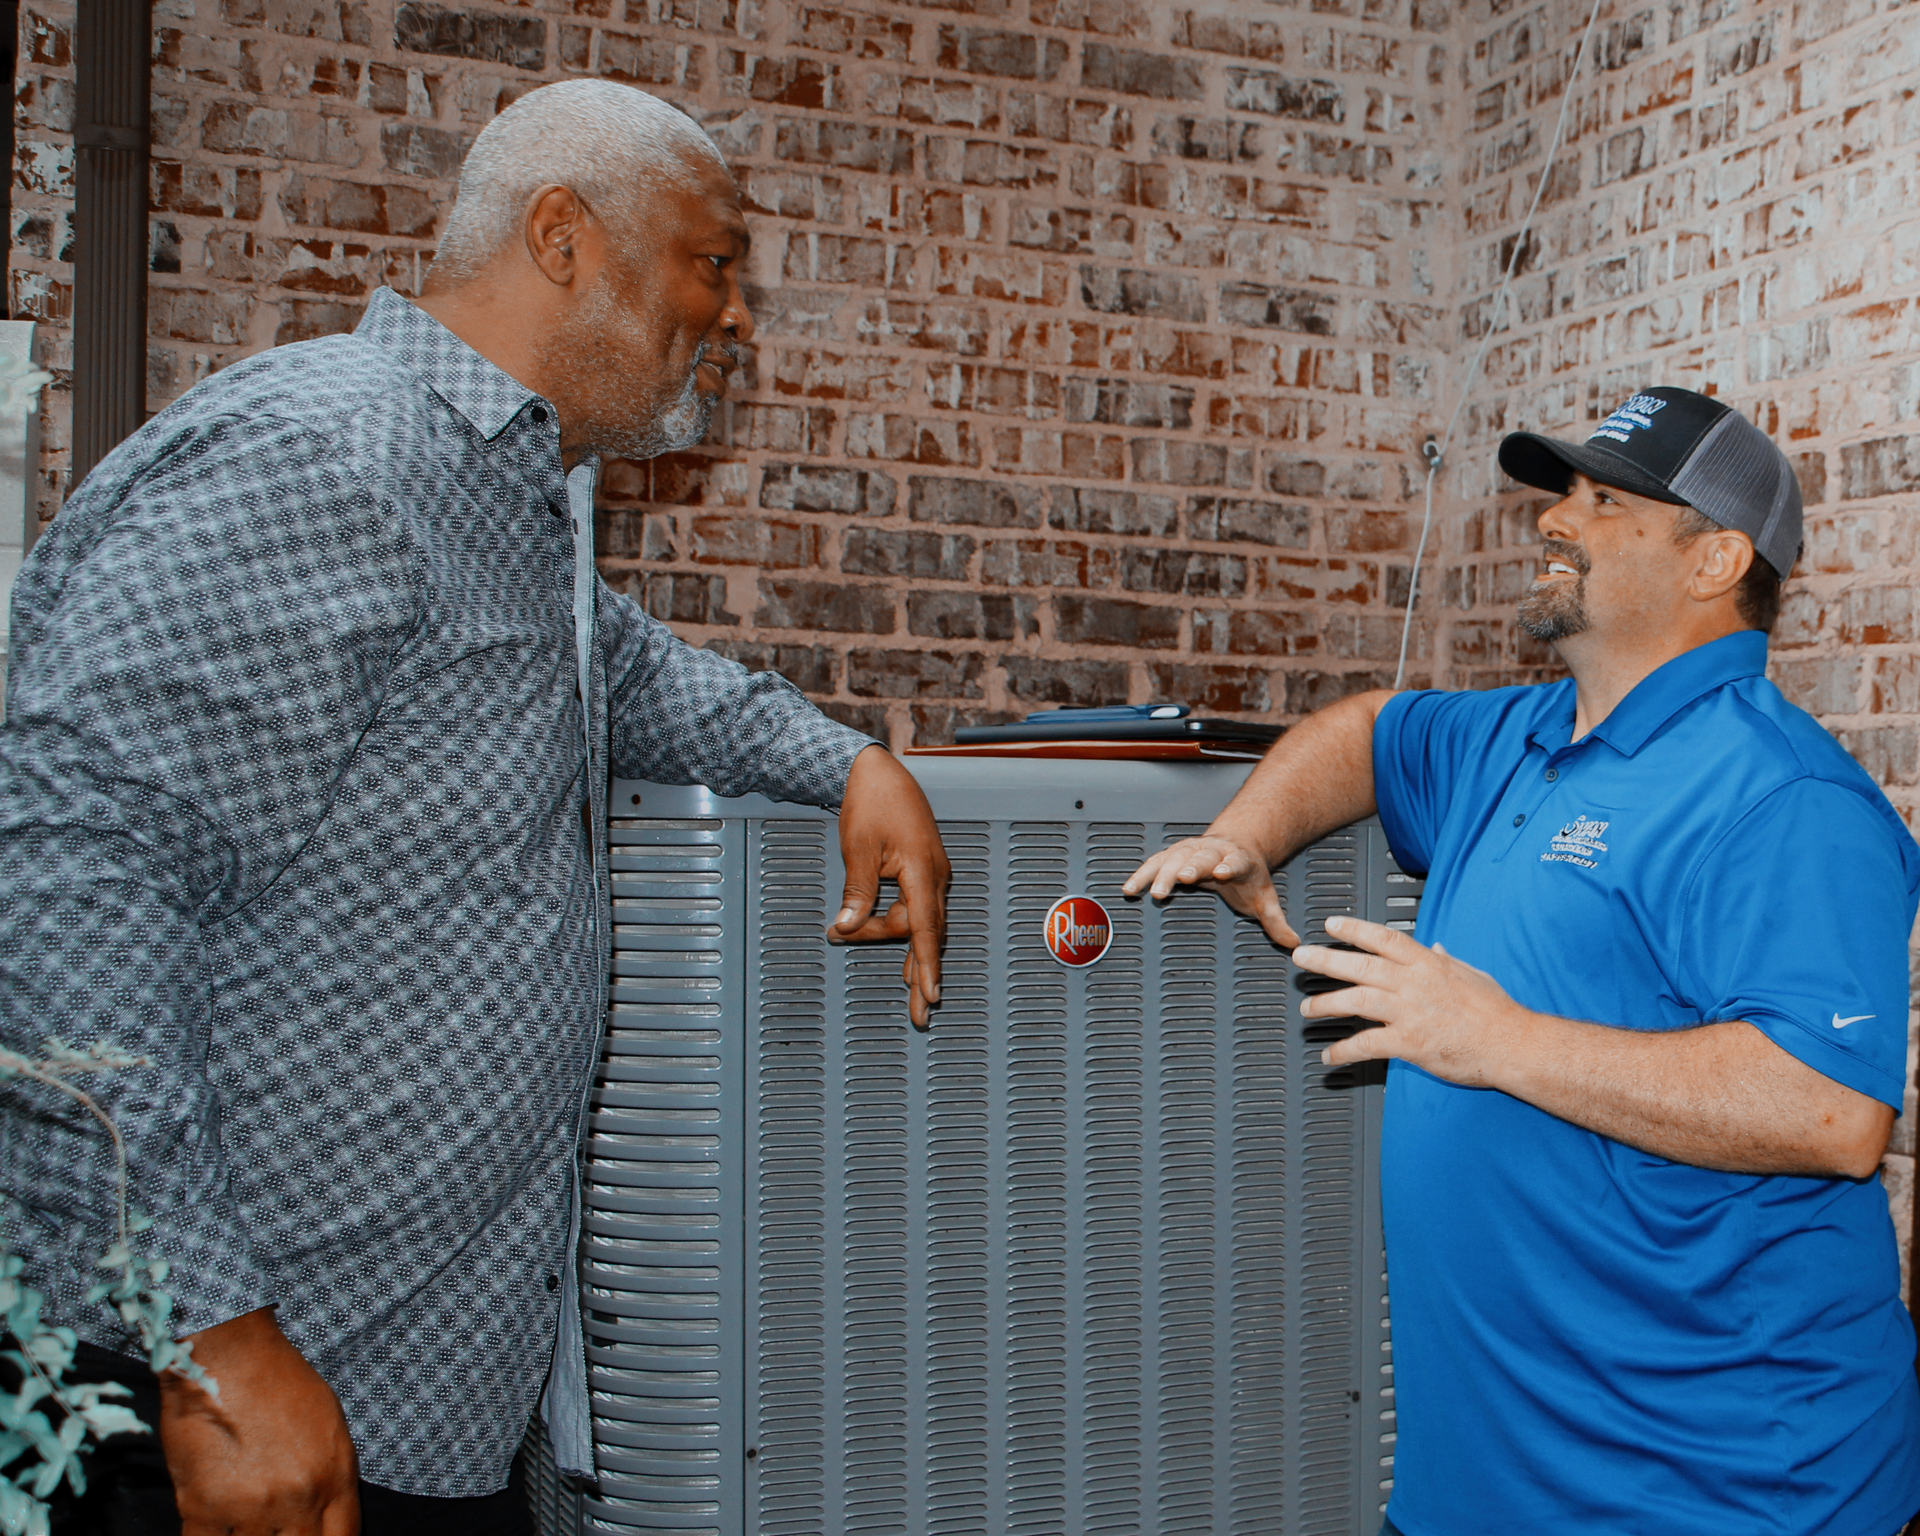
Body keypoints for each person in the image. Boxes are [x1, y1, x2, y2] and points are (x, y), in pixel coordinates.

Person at [0, 80, 950, 1536]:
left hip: (419, 1411)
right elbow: (65, 875)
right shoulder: (319, 456)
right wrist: (212, 1340)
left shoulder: (513, 500)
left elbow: (635, 681)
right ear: (564, 235)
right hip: (228, 1419)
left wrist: (852, 764)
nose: (735, 313)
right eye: (713, 261)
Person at [1126, 386, 1920, 1535]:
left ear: (1717, 562)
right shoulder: (1518, 736)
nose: (1557, 519)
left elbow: (1830, 1113)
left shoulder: (1786, 800)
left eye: (1606, 503)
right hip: (1482, 1489)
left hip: (1721, 1492)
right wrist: (1248, 835)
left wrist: (1488, 1038)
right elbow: (1366, 734)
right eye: (1563, 494)